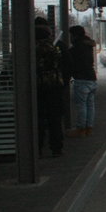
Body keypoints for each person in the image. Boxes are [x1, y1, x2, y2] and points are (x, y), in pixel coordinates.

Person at [35, 23, 65, 156]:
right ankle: (56, 148)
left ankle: (37, 148)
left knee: (38, 119)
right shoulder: (54, 49)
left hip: (38, 86)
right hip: (54, 86)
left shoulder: (32, 49)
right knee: (55, 119)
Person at [66, 25, 98, 136]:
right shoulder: (88, 46)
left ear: (74, 35)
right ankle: (89, 127)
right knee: (90, 105)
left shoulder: (76, 49)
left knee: (81, 105)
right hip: (92, 78)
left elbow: (71, 64)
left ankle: (80, 128)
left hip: (81, 79)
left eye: (71, 35)